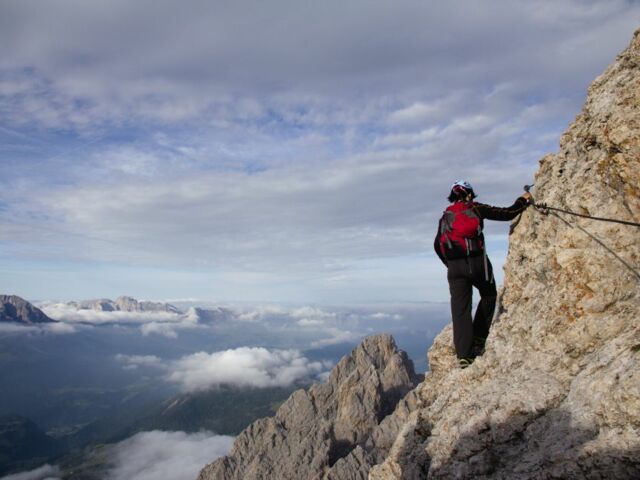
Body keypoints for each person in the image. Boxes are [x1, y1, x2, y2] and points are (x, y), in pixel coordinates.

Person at [434, 180, 531, 368]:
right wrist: (523, 200)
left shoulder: (445, 217)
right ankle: (479, 336)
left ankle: (465, 356)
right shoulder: (476, 208)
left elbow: (437, 245)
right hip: (477, 264)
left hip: (454, 269)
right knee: (489, 294)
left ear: (453, 196)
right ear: (470, 194)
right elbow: (507, 213)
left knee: (460, 309)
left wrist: (451, 264)